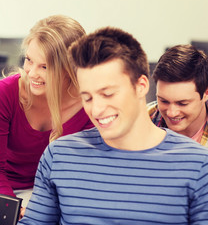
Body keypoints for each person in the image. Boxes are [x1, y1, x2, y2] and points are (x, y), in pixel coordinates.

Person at [18, 27, 208, 224]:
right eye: (87, 97)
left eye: (108, 94)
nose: (97, 110)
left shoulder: (199, 165)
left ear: (140, 86)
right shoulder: (58, 155)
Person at [0, 15, 94, 207]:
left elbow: (77, 174)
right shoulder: (5, 92)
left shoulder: (88, 105)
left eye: (45, 67)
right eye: (29, 60)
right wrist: (13, 208)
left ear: (70, 69)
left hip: (41, 189)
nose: (31, 73)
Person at [147, 44, 208, 147]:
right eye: (164, 101)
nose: (172, 113)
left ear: (206, 93)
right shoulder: (140, 121)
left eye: (182, 103)